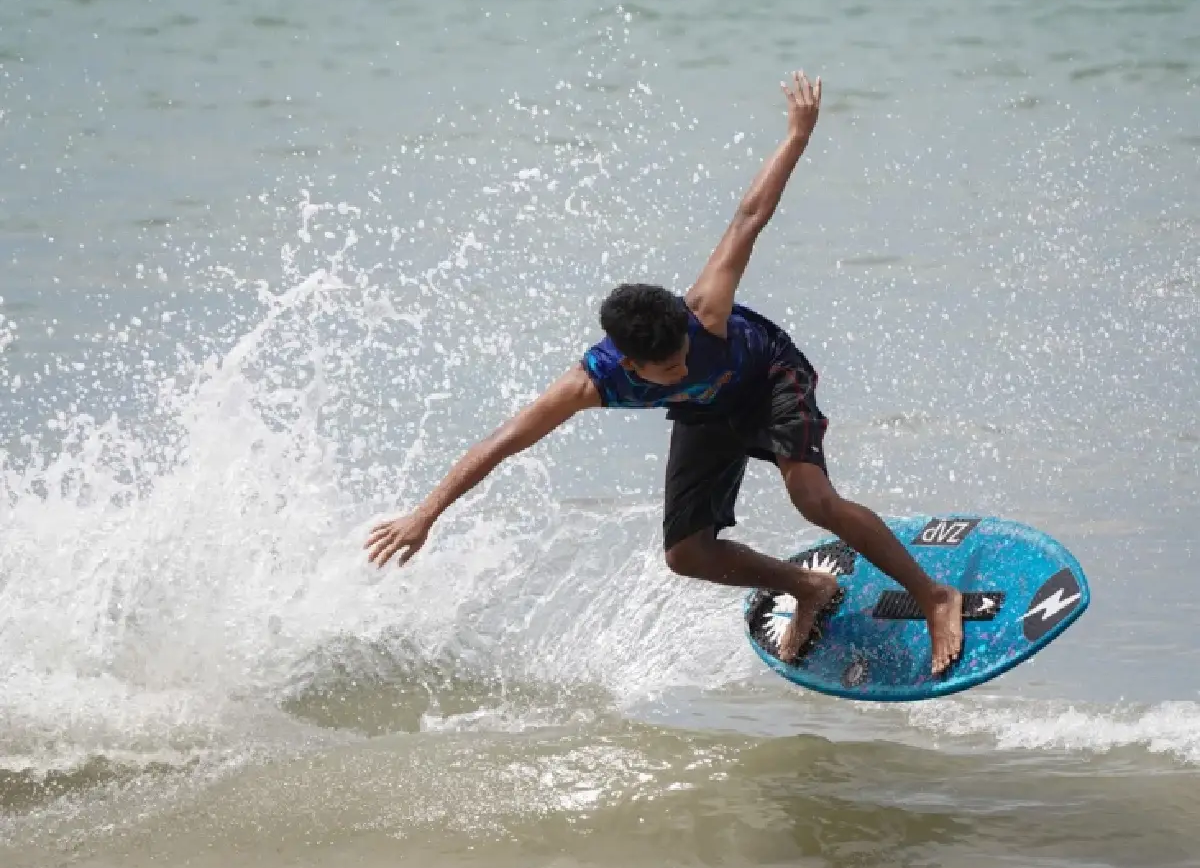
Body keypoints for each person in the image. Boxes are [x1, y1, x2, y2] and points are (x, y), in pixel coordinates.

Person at [367, 73, 964, 674]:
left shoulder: (703, 310)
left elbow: (748, 216)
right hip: (708, 412)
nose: (681, 365)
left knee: (811, 498)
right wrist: (425, 515)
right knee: (687, 555)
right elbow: (499, 444)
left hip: (770, 378)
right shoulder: (589, 384)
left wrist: (797, 136)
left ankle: (935, 594)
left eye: (684, 354)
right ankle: (808, 587)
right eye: (667, 367)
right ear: (629, 365)